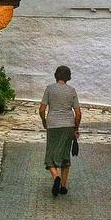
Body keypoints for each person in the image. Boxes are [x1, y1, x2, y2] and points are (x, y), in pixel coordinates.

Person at [39, 65, 81, 196]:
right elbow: (78, 113)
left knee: (50, 153)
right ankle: (63, 185)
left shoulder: (49, 89)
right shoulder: (72, 91)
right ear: (68, 77)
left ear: (56, 76)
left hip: (52, 124)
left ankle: (55, 176)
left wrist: (44, 120)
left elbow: (42, 109)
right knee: (65, 155)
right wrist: (76, 128)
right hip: (68, 125)